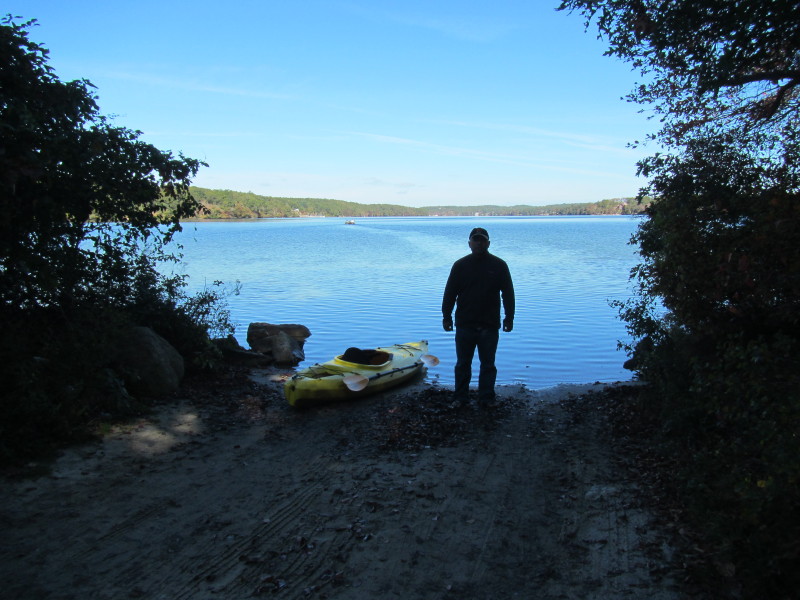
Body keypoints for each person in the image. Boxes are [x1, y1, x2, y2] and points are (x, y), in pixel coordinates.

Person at [442, 227, 515, 407]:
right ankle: (460, 397)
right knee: (462, 364)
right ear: (469, 244)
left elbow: (508, 293)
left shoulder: (499, 265)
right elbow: (450, 293)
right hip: (465, 324)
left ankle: (486, 398)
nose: (479, 243)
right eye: (476, 240)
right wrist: (446, 316)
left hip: (489, 325)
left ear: (488, 243)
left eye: (482, 240)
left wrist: (509, 317)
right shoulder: (460, 265)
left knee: (488, 365)